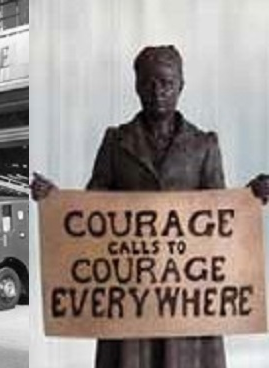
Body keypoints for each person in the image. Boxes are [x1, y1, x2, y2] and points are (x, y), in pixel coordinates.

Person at [31, 45, 269, 368]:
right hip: (131, 294)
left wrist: (250, 197)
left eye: (166, 83)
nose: (158, 92)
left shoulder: (204, 145)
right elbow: (90, 213)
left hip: (187, 296)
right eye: (149, 83)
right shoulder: (116, 142)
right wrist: (56, 201)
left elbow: (219, 222)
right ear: (137, 87)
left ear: (181, 86)